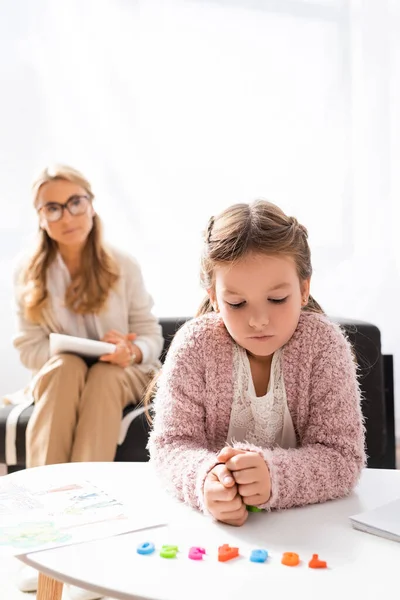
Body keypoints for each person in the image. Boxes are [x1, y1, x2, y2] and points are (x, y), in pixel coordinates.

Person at [148, 199, 365, 528]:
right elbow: (171, 445)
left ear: (304, 289)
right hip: (217, 536)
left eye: (277, 299)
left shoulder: (324, 345)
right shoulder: (194, 346)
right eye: (236, 303)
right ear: (214, 298)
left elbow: (343, 457)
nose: (258, 320)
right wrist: (204, 480)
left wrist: (274, 477)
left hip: (311, 530)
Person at [13, 164, 163, 599]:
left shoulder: (123, 264)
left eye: (75, 202)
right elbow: (28, 349)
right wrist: (73, 354)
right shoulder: (30, 272)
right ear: (41, 217)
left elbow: (151, 335)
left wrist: (130, 351)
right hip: (64, 376)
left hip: (121, 373)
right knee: (67, 370)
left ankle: (88, 539)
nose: (67, 215)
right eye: (53, 207)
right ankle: (40, 544)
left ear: (91, 205)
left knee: (100, 377)